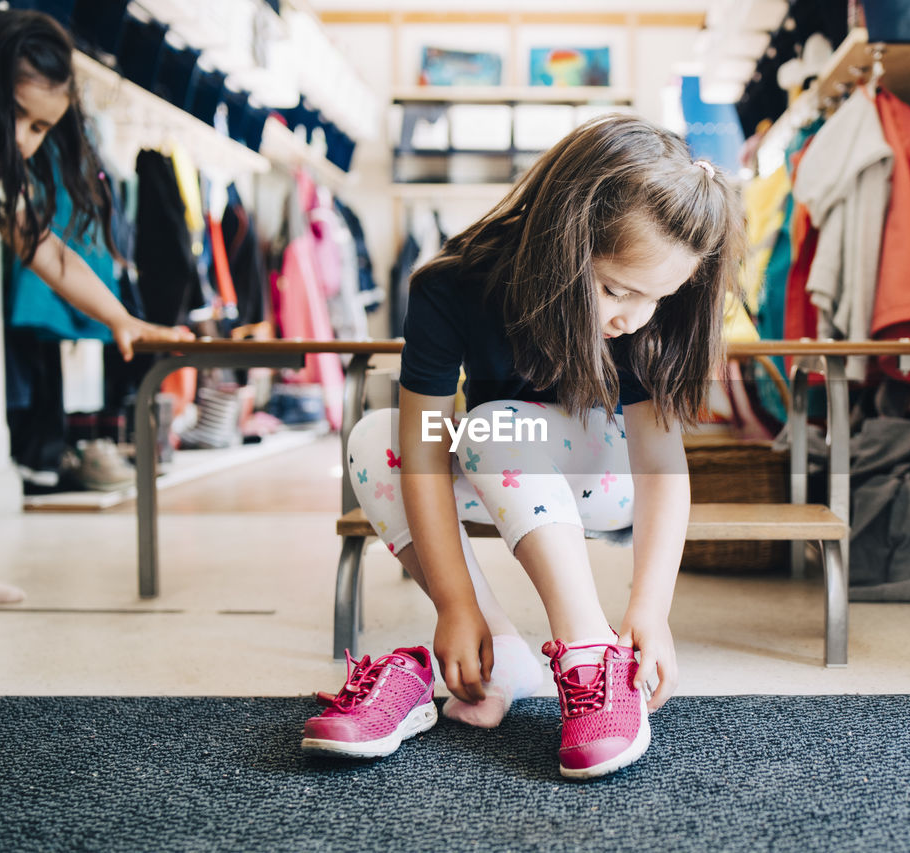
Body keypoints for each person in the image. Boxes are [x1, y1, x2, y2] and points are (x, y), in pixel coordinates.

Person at [302, 115, 744, 778]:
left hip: (608, 476)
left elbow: (660, 467)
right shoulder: (451, 283)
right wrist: (455, 604)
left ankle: (592, 651)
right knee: (377, 438)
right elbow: (422, 447)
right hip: (500, 464)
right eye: (616, 290)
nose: (635, 317)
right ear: (562, 243)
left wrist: (650, 610)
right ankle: (504, 651)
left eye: (660, 297)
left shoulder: (646, 317)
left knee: (490, 424)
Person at [0, 10, 193, 612]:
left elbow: (52, 257)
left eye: (41, 128)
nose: (28, 142)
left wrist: (120, 319)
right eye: (20, 120)